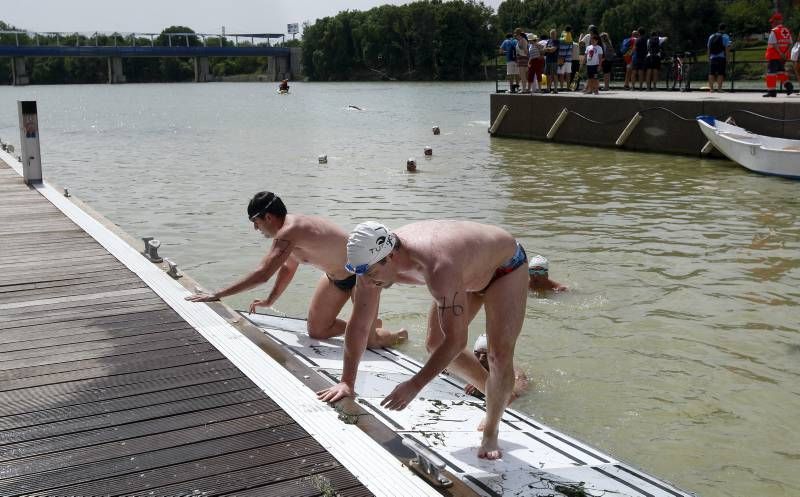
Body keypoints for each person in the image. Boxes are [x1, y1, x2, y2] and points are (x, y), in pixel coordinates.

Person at [317, 220, 529, 460]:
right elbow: (359, 325)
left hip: (504, 268)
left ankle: (491, 429)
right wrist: (347, 381)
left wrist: (414, 384)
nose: (368, 280)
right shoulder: (369, 263)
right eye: (362, 274)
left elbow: (457, 341)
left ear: (391, 256)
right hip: (466, 272)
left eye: (373, 273)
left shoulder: (438, 267)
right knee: (435, 345)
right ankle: (499, 395)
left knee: (498, 355)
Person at [185, 192, 407, 348]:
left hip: (363, 277)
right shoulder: (288, 234)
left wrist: (217, 295)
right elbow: (288, 268)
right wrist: (270, 300)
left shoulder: (291, 230)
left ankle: (396, 336)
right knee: (318, 331)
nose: (255, 228)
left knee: (370, 343)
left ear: (268, 217)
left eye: (255, 222)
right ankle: (365, 325)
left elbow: (263, 274)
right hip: (334, 278)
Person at [464, 334, 528, 399]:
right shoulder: (471, 363)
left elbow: (518, 391)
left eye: (486, 355)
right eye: (477, 353)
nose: (480, 359)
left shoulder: (513, 372)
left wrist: (482, 385)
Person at [763, 12, 794, 97]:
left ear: (776, 21)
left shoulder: (774, 31)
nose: (772, 24)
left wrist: (780, 53)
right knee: (781, 72)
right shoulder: (786, 31)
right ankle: (788, 86)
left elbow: (773, 43)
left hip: (773, 56)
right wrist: (785, 53)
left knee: (771, 73)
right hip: (783, 57)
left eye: (772, 22)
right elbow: (790, 43)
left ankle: (772, 91)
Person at [707, 24, 731, 92]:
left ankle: (711, 89)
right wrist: (728, 59)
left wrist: (708, 58)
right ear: (725, 29)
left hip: (712, 58)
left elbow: (708, 48)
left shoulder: (711, 36)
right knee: (721, 73)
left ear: (718, 28)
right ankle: (719, 89)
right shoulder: (725, 36)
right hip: (721, 57)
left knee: (711, 73)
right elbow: (727, 49)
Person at [514, 28, 530, 93]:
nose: (515, 36)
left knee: (522, 75)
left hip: (523, 58)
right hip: (520, 58)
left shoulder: (523, 40)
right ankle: (524, 88)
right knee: (522, 75)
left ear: (518, 34)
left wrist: (528, 59)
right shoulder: (520, 40)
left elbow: (526, 51)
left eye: (516, 35)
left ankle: (524, 89)